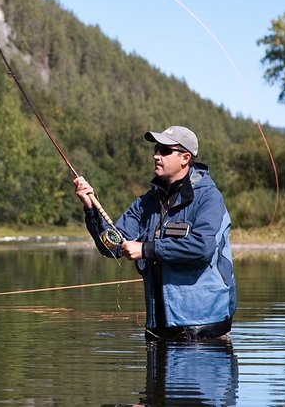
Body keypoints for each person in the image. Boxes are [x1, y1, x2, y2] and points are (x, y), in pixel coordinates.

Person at [74, 125, 236, 341]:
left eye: (165, 151)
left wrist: (146, 249)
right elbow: (111, 247)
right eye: (156, 150)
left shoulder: (209, 198)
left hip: (204, 330)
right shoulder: (145, 203)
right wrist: (90, 208)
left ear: (185, 158)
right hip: (158, 329)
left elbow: (202, 248)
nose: (156, 156)